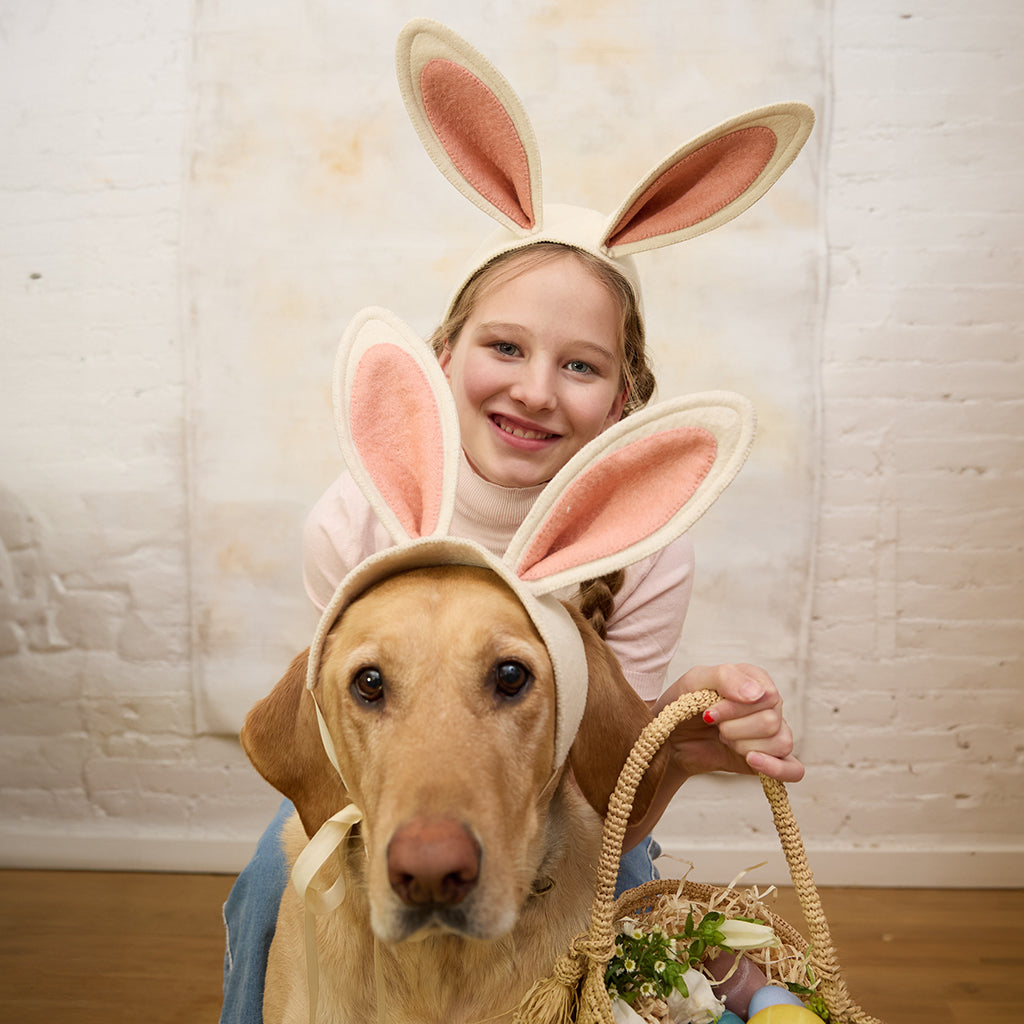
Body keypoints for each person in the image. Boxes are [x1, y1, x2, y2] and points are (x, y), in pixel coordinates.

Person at [220, 239, 803, 1024]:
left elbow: (605, 797)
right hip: (380, 800)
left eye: (581, 366)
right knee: (267, 886)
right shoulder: (352, 518)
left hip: (568, 811)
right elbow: (340, 764)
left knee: (632, 937)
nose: (535, 390)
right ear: (441, 360)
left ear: (622, 400)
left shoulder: (645, 547)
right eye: (505, 347)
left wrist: (673, 748)